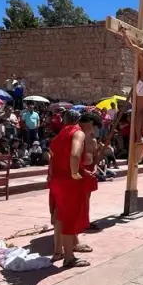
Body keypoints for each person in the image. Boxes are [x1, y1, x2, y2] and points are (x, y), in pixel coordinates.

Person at [47, 110, 91, 268]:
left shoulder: (57, 137)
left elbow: (52, 160)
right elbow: (74, 154)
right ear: (78, 120)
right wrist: (74, 172)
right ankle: (69, 257)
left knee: (60, 215)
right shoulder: (77, 133)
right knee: (70, 217)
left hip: (56, 181)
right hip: (69, 182)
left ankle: (58, 251)